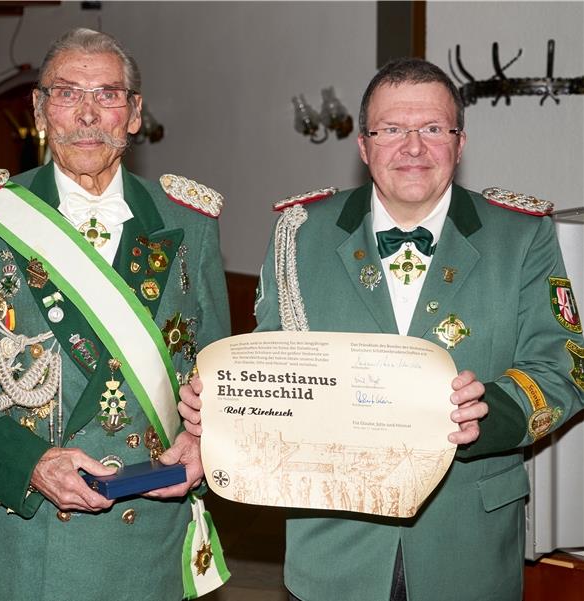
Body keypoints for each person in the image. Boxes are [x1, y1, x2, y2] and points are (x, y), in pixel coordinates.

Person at [179, 57, 584, 601]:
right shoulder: (301, 232)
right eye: (391, 129)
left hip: (467, 537)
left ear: (460, 143)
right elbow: (271, 362)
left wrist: (490, 412)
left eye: (433, 129)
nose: (412, 147)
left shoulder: (521, 235)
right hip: (333, 542)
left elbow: (565, 365)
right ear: (364, 146)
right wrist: (223, 404)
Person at [0, 28, 230, 601]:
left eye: (108, 95)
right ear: (40, 110)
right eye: (66, 94)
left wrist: (205, 441)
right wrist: (31, 464)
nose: (88, 115)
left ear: (134, 114)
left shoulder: (189, 221)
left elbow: (217, 372)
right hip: (30, 533)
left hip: (153, 527)